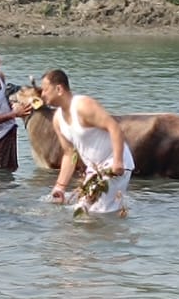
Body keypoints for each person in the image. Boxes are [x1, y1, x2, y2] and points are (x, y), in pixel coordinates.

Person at [39, 68, 134, 215]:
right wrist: (60, 187)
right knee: (80, 210)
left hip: (114, 164)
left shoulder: (83, 106)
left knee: (95, 214)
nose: (42, 94)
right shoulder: (58, 119)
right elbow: (69, 154)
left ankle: (112, 234)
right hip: (95, 170)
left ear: (59, 89)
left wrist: (118, 161)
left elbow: (114, 128)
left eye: (45, 90)